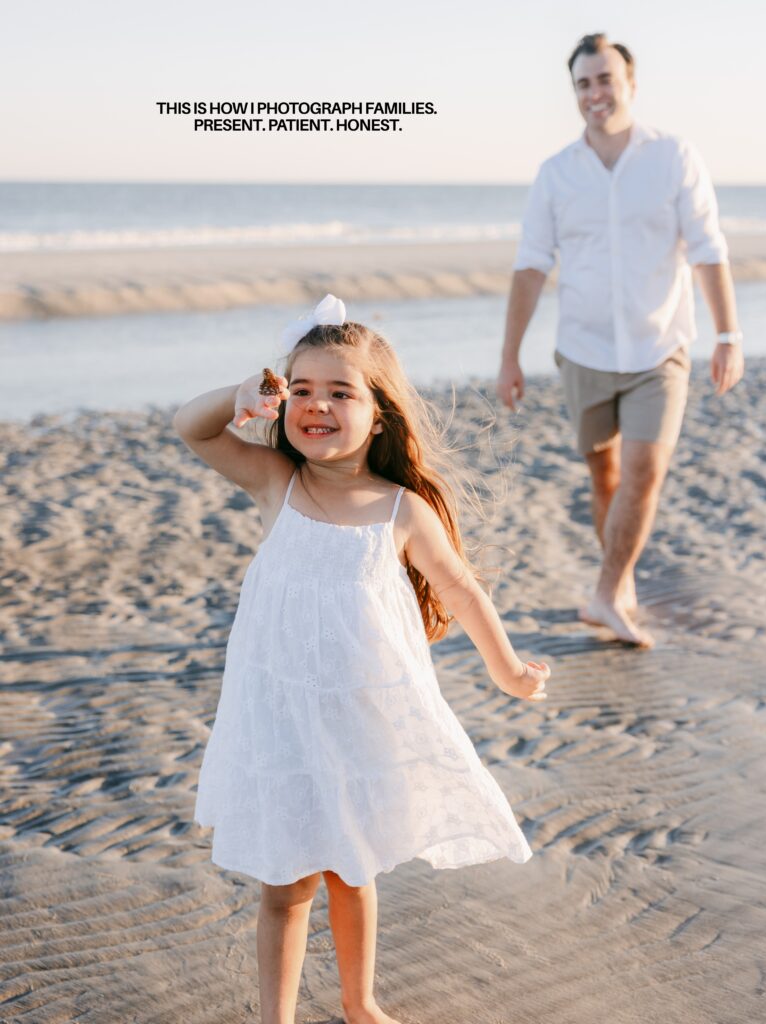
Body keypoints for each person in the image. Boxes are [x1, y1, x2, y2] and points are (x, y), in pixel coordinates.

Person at [174, 294, 550, 1024]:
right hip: (280, 720)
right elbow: (190, 428)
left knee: (351, 870)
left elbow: (461, 591)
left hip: (358, 721)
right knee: (285, 886)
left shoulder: (399, 510)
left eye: (340, 392)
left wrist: (504, 667)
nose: (317, 405)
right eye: (302, 390)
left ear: (379, 411)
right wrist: (237, 396)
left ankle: (358, 1002)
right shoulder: (278, 485)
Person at [497, 32, 744, 648]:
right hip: (583, 349)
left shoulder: (674, 157)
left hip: (660, 346)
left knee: (645, 470)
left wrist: (728, 333)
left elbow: (709, 249)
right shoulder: (556, 174)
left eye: (605, 79)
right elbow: (531, 265)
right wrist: (510, 356)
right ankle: (619, 582)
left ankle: (605, 595)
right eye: (583, 83)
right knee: (603, 473)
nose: (595, 93)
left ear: (630, 83)